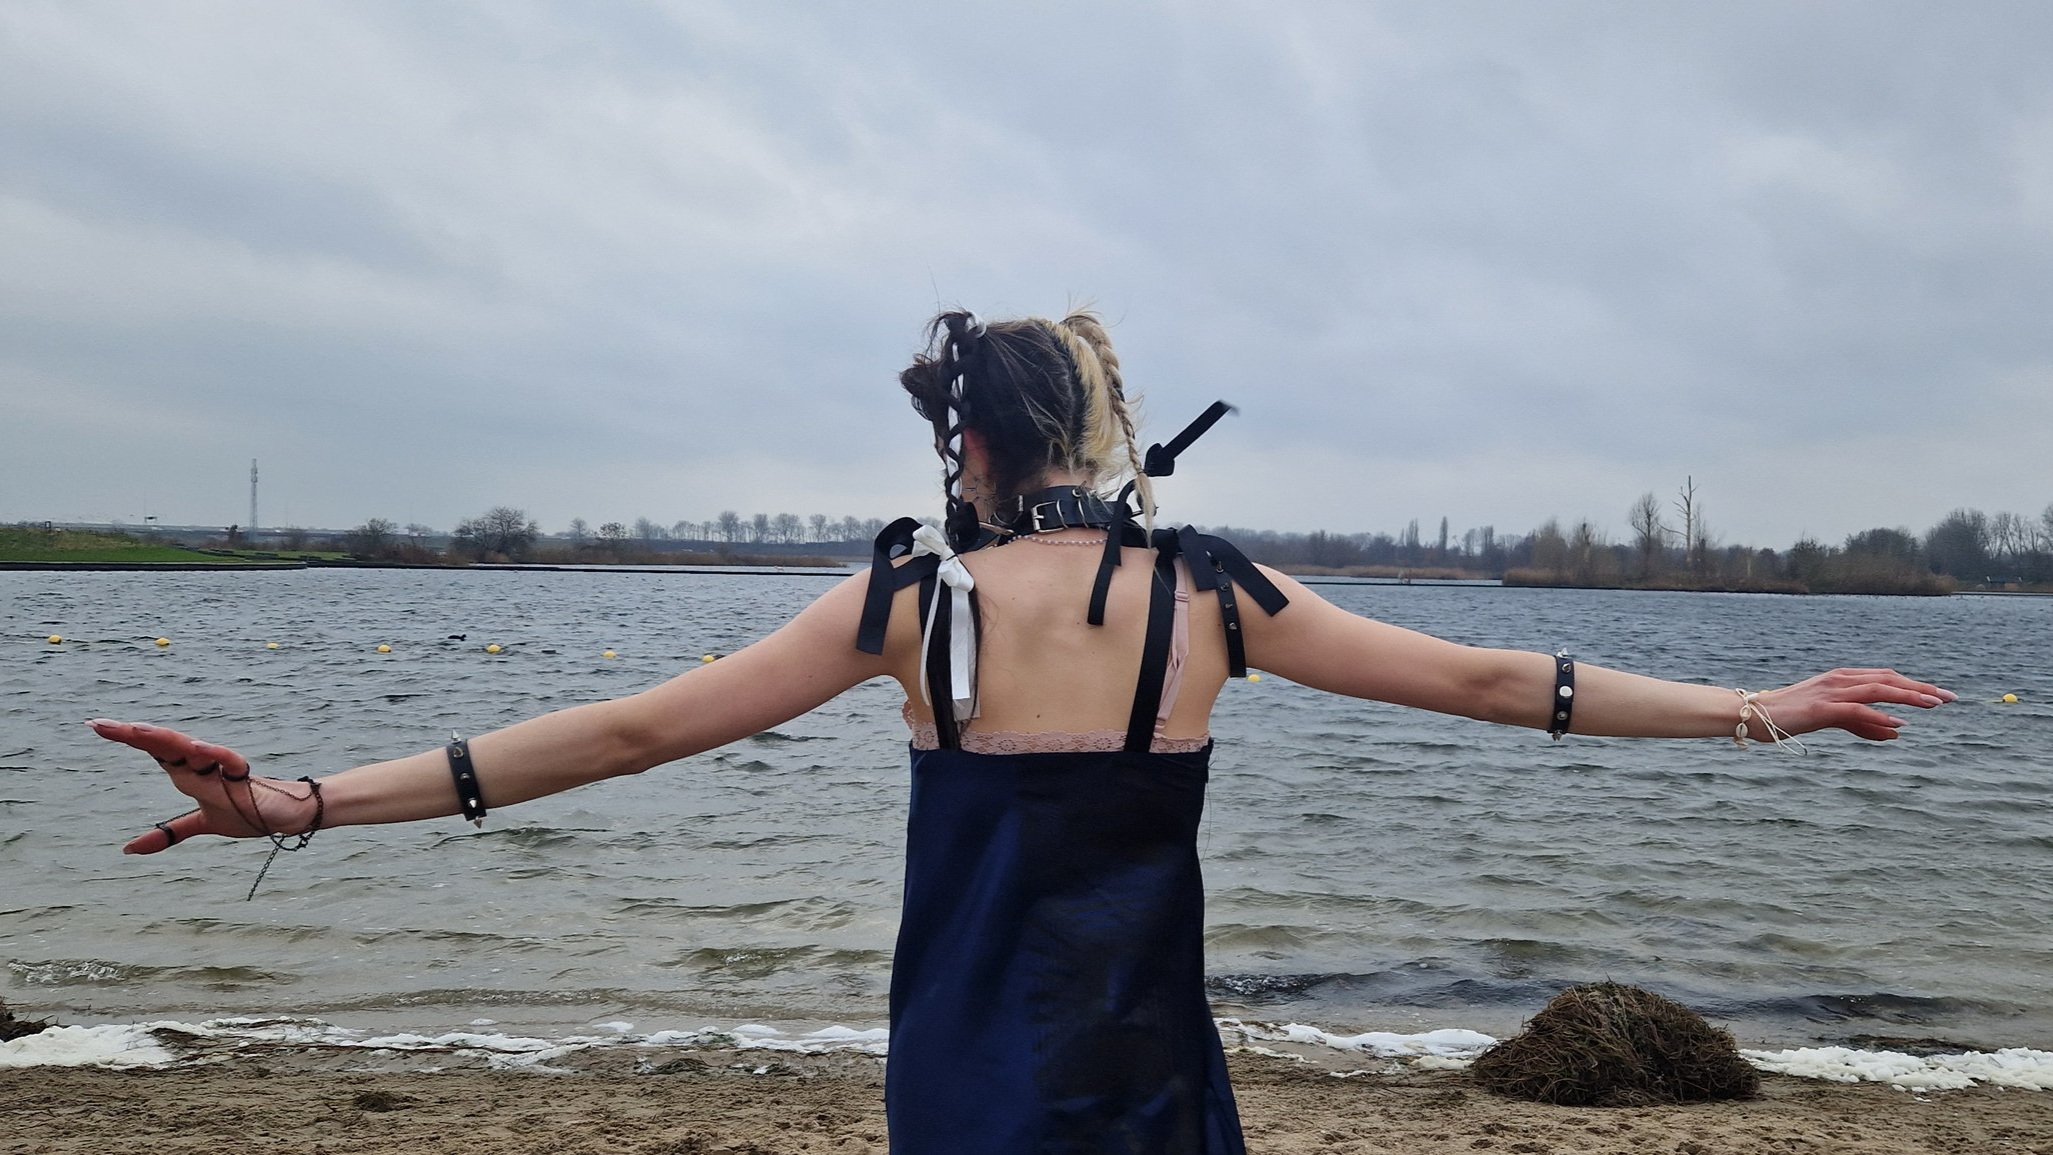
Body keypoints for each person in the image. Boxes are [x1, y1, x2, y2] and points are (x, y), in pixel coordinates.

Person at [93, 308, 1956, 1154]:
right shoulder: (1211, 595)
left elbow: (625, 735)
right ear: (1099, 436)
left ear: (967, 446)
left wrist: (298, 804)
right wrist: (1758, 710)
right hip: (1142, 1074)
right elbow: (1497, 683)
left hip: (963, 1071)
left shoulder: (907, 608)